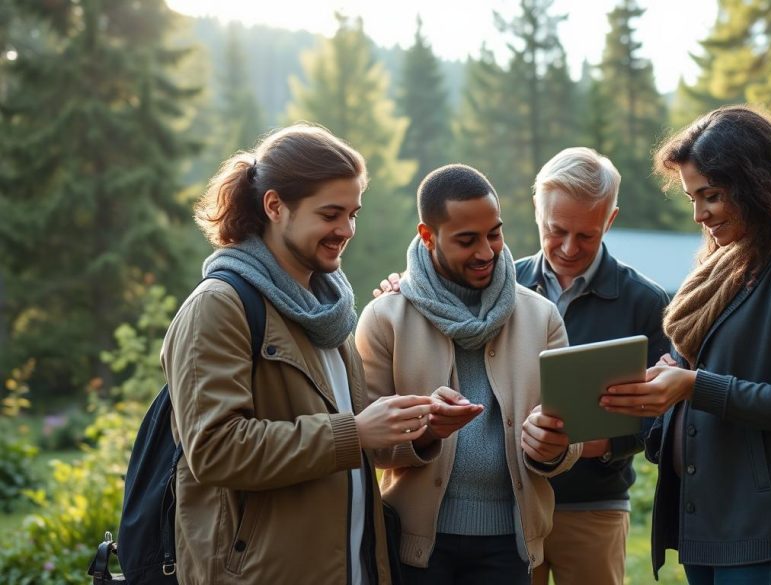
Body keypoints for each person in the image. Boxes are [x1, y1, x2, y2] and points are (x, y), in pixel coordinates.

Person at [600, 106, 771, 585]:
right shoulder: (728, 265)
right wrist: (669, 390)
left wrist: (693, 386)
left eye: (712, 196)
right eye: (692, 199)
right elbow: (714, 380)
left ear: (758, 184)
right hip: (711, 526)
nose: (700, 215)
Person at [163, 124, 434, 584]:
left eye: (353, 214)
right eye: (331, 214)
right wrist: (355, 432)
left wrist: (420, 430)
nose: (345, 230)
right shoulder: (219, 306)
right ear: (275, 206)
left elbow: (352, 431)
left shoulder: (327, 309)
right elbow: (215, 450)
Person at [355, 163, 581, 585]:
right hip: (415, 545)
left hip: (509, 544)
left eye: (494, 233)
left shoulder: (541, 315)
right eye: (466, 240)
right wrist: (426, 432)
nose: (486, 251)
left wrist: (550, 446)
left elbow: (569, 441)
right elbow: (369, 445)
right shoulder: (385, 318)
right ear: (428, 235)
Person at [515, 147, 670, 585]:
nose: (568, 248)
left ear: (611, 220)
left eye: (587, 235)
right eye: (555, 230)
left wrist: (598, 445)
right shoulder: (500, 287)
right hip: (513, 503)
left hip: (594, 506)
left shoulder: (645, 301)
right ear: (536, 211)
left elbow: (663, 418)